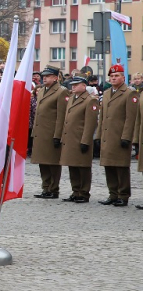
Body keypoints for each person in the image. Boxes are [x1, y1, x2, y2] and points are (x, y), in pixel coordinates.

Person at [98, 64, 138, 207]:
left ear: (123, 77)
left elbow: (130, 117)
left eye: (116, 76)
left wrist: (127, 137)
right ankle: (113, 194)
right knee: (108, 166)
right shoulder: (107, 93)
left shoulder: (129, 93)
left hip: (120, 135)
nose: (113, 78)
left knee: (121, 167)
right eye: (111, 76)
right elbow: (103, 116)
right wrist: (99, 134)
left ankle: (123, 195)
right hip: (107, 135)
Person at [31, 66, 69, 199]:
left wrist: (58, 135)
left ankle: (53, 189)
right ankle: (45, 187)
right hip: (41, 132)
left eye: (47, 76)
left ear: (55, 77)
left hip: (52, 133)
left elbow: (61, 116)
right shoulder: (41, 91)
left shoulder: (61, 92)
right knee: (43, 161)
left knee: (53, 162)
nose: (44, 78)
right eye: (43, 76)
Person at [60, 75, 99, 203]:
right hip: (70, 138)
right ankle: (75, 191)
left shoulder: (90, 100)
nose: (73, 86)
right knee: (73, 166)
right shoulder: (72, 98)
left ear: (84, 86)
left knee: (83, 167)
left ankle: (84, 193)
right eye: (73, 84)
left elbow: (90, 123)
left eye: (76, 84)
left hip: (81, 138)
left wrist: (86, 140)